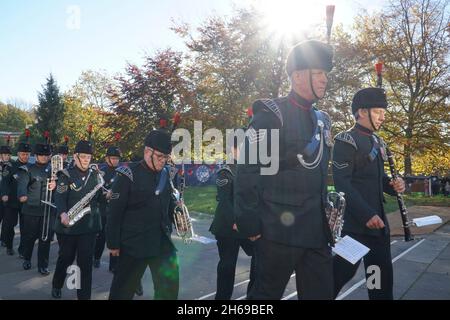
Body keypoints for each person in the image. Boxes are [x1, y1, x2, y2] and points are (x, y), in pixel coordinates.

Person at [234, 40, 335, 300]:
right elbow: (248, 170)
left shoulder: (322, 120)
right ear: (299, 75)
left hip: (315, 230)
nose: (325, 80)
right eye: (319, 73)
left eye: (326, 74)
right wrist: (249, 222)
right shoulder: (272, 114)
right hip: (277, 230)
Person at [332, 87, 405, 300]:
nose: (383, 116)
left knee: (378, 280)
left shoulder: (378, 142)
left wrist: (395, 185)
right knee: (339, 275)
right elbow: (342, 183)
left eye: (384, 111)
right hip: (355, 226)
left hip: (378, 227)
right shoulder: (346, 140)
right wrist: (366, 215)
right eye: (378, 111)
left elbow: (379, 181)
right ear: (362, 112)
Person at [107, 129, 179, 300]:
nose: (163, 161)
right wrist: (113, 243)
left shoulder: (166, 174)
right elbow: (114, 212)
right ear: (148, 151)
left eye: (166, 158)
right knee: (121, 292)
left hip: (162, 243)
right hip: (134, 243)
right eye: (160, 156)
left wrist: (177, 211)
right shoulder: (127, 174)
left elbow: (167, 204)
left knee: (169, 292)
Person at [51, 139, 103, 300]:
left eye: (89, 157)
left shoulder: (96, 175)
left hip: (88, 226)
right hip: (69, 225)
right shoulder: (66, 175)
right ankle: (57, 284)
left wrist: (108, 196)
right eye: (83, 156)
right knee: (65, 257)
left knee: (85, 263)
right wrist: (63, 213)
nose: (86, 160)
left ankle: (84, 296)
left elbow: (99, 197)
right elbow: (59, 197)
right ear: (75, 156)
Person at [210, 137, 257, 300]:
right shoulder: (226, 171)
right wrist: (236, 222)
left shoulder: (245, 167)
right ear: (233, 149)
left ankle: (254, 297)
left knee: (259, 256)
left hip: (242, 225)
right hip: (227, 227)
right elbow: (225, 202)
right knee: (227, 267)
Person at [17, 142, 56, 275]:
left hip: (48, 211)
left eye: (47, 155)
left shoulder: (55, 170)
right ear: (36, 155)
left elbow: (63, 188)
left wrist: (56, 184)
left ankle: (43, 265)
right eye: (41, 155)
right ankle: (27, 258)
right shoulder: (28, 169)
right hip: (31, 210)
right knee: (30, 237)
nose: (44, 157)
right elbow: (22, 185)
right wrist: (22, 195)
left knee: (45, 240)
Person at [1, 130, 32, 256]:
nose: (25, 156)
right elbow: (4, 182)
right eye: (23, 154)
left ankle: (22, 250)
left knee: (25, 229)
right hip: (12, 201)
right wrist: (4, 194)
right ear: (18, 154)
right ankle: (9, 246)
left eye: (27, 154)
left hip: (26, 203)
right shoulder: (10, 167)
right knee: (9, 226)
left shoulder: (32, 167)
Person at [94, 145, 121, 272]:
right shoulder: (101, 172)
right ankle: (96, 257)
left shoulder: (121, 172)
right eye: (113, 158)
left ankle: (114, 265)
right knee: (101, 236)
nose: (115, 161)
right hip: (104, 209)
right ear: (107, 158)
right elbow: (96, 193)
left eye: (117, 158)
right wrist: (105, 195)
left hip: (116, 210)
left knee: (115, 237)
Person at [0, 140, 12, 247]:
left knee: (6, 220)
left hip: (7, 197)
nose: (7, 156)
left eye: (8, 155)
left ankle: (3, 239)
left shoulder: (11, 165)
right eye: (5, 154)